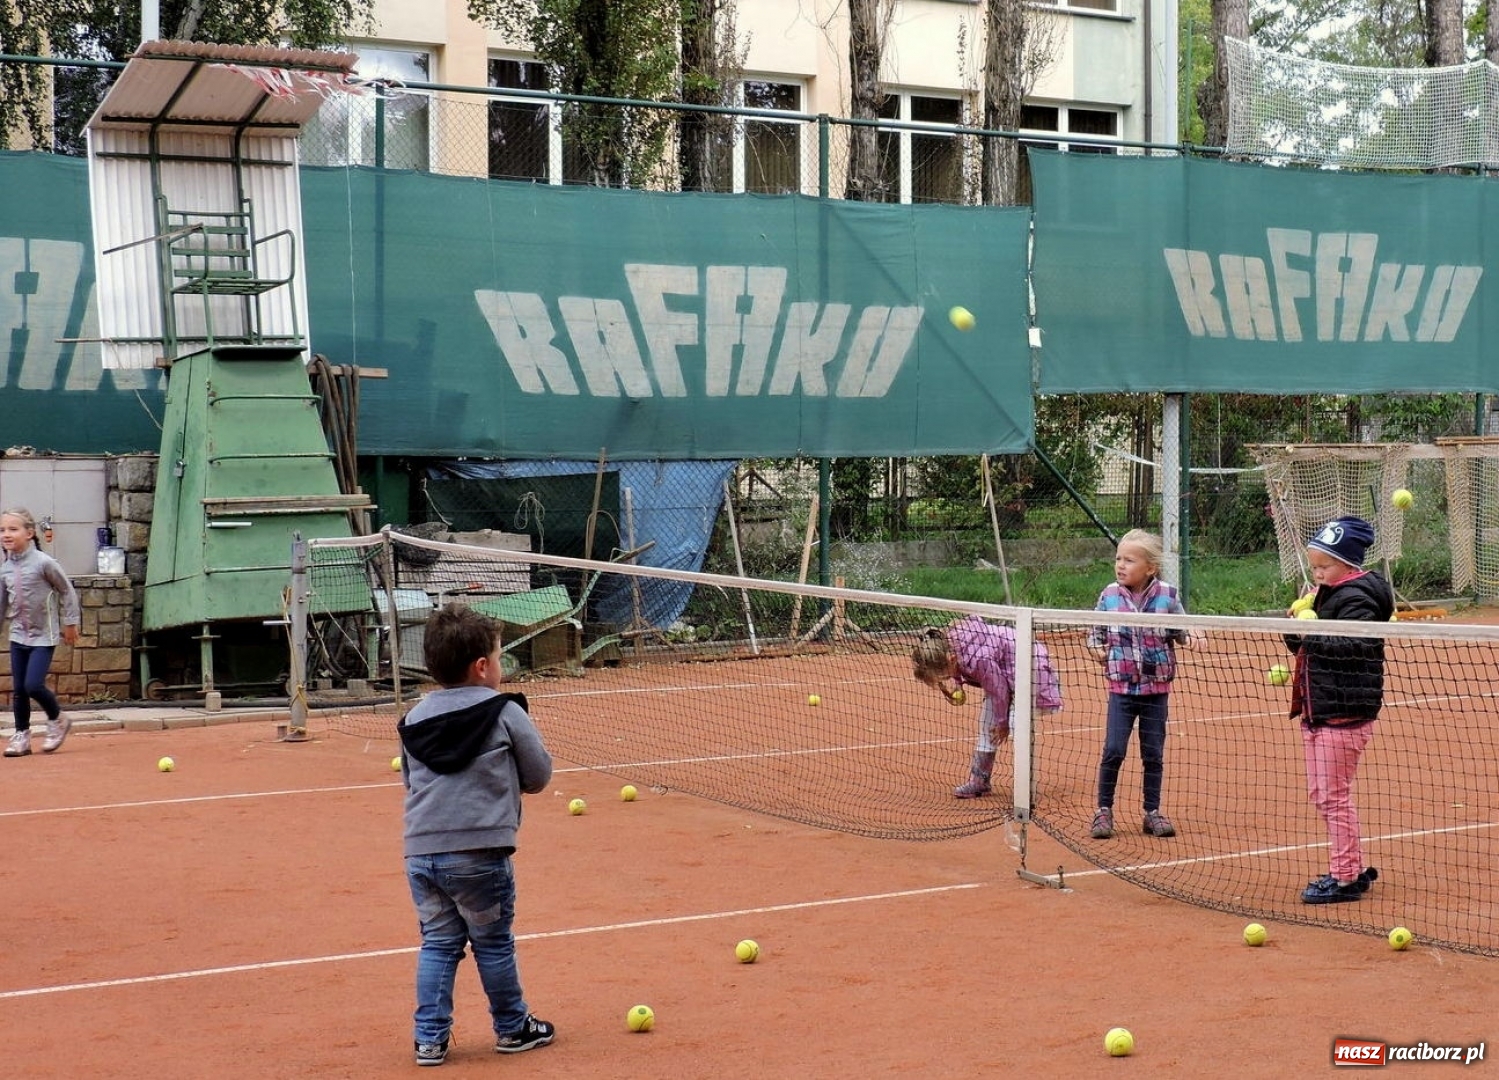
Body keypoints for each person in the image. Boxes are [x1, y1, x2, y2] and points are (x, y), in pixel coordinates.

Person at [396, 604, 556, 1066]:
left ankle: (429, 1040)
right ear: (482, 666)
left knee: (439, 943)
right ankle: (512, 1027)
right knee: (492, 941)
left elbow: (411, 781)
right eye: (499, 657)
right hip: (480, 855)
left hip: (422, 853)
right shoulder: (504, 711)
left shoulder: (412, 720)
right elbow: (539, 774)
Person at [1282, 516, 1392, 905]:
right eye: (1314, 566)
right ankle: (1351, 867)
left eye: (1323, 566)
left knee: (1333, 797)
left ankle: (1345, 877)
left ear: (1348, 564)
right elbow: (1302, 648)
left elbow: (1357, 647)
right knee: (1322, 794)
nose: (1316, 573)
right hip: (1319, 707)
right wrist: (1296, 624)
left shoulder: (1357, 598)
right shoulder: (1325, 593)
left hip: (1345, 712)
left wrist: (1313, 631)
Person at [1085, 529, 1191, 840]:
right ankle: (1103, 811)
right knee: (1114, 750)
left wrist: (1194, 635)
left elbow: (1182, 631)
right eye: (1118, 558)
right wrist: (1097, 652)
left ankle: (1152, 812)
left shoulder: (1168, 596)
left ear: (1150, 568)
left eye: (1129, 560)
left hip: (1156, 691)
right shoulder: (1109, 596)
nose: (1120, 565)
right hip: (1122, 691)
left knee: (1153, 754)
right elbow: (1095, 635)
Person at [912, 617, 1062, 798]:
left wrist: (1003, 723)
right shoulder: (950, 647)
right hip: (1005, 670)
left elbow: (999, 690)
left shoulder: (979, 660)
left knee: (1016, 725)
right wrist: (958, 684)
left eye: (944, 677)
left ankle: (1025, 790)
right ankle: (979, 782)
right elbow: (959, 669)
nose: (945, 680)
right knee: (986, 725)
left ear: (950, 660)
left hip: (1030, 666)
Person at [1, 508, 81, 757]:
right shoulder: (4, 568)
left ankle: (58, 719)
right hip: (18, 636)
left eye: (13, 529)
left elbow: (67, 591)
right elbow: (2, 603)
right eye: (2, 530)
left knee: (33, 685)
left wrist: (70, 622)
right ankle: (22, 736)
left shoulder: (44, 563)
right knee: (19, 691)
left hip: (43, 636)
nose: (6, 534)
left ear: (29, 533)